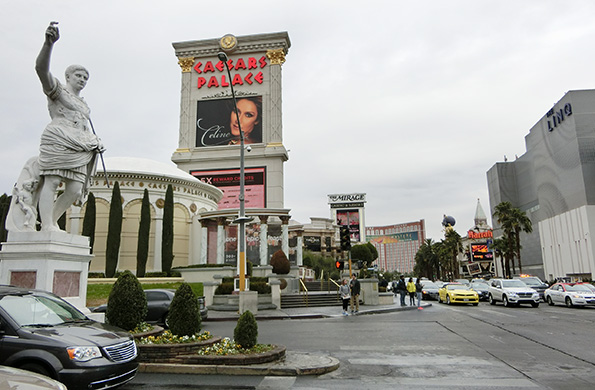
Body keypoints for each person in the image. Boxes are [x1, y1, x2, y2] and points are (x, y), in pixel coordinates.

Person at [35, 22, 104, 232]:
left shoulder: (84, 105)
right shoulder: (57, 91)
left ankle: (50, 222)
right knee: (53, 181)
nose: (82, 80)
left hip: (79, 146)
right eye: (78, 76)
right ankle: (47, 224)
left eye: (85, 78)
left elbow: (85, 128)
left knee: (74, 189)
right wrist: (48, 44)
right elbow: (40, 69)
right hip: (59, 137)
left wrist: (95, 142)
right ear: (68, 77)